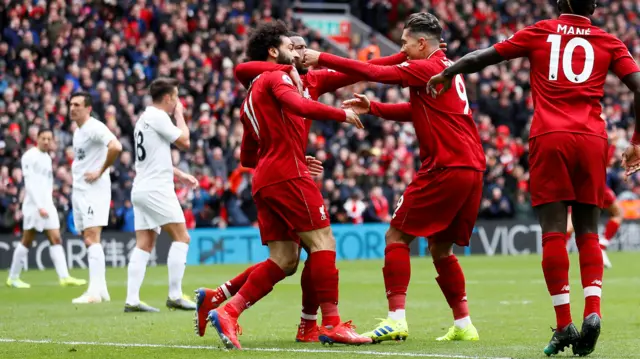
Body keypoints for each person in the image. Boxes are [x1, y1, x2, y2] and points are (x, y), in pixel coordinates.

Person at [427, 0, 640, 355]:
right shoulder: (609, 41)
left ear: (564, 3)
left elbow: (484, 56)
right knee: (588, 230)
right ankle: (593, 312)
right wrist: (636, 142)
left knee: (554, 231)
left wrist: (449, 72)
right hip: (592, 140)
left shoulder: (540, 31)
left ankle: (563, 324)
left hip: (549, 137)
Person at [196, 31, 412, 343]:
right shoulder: (277, 77)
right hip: (287, 173)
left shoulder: (264, 90)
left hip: (270, 175)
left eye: (303, 47)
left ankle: (229, 308)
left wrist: (403, 57)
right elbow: (296, 105)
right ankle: (333, 324)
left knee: (285, 260)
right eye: (293, 47)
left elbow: (247, 154)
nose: (301, 52)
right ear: (275, 52)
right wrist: (341, 115)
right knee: (324, 242)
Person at [304, 12, 485, 343]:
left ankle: (396, 319)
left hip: (445, 166)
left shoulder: (425, 67)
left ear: (421, 43)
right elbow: (417, 111)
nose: (401, 49)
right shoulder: (446, 68)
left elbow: (374, 71)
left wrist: (321, 58)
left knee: (396, 237)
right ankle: (463, 323)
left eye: (404, 44)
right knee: (441, 249)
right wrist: (374, 109)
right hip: (472, 168)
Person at [124, 78, 199, 313]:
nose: (177, 102)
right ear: (168, 98)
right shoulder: (158, 117)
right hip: (156, 189)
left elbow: (152, 158)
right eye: (176, 97)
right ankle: (175, 295)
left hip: (142, 187)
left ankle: (132, 300)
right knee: (182, 237)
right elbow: (185, 142)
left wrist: (179, 174)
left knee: (144, 244)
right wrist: (179, 116)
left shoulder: (143, 120)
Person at [6, 128, 86, 289]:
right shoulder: (29, 156)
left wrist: (48, 203)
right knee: (27, 240)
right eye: (44, 138)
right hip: (34, 205)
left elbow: (46, 184)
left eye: (49, 139)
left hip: (47, 204)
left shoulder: (47, 158)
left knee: (56, 238)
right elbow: (29, 184)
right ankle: (13, 278)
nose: (46, 141)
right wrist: (39, 205)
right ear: (37, 138)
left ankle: (64, 277)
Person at [69, 92, 123, 304]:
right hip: (80, 190)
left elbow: (116, 146)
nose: (72, 108)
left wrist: (100, 171)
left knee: (92, 236)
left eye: (77, 105)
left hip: (94, 190)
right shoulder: (79, 131)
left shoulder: (94, 127)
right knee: (88, 238)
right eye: (71, 104)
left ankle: (94, 292)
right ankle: (101, 289)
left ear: (88, 108)